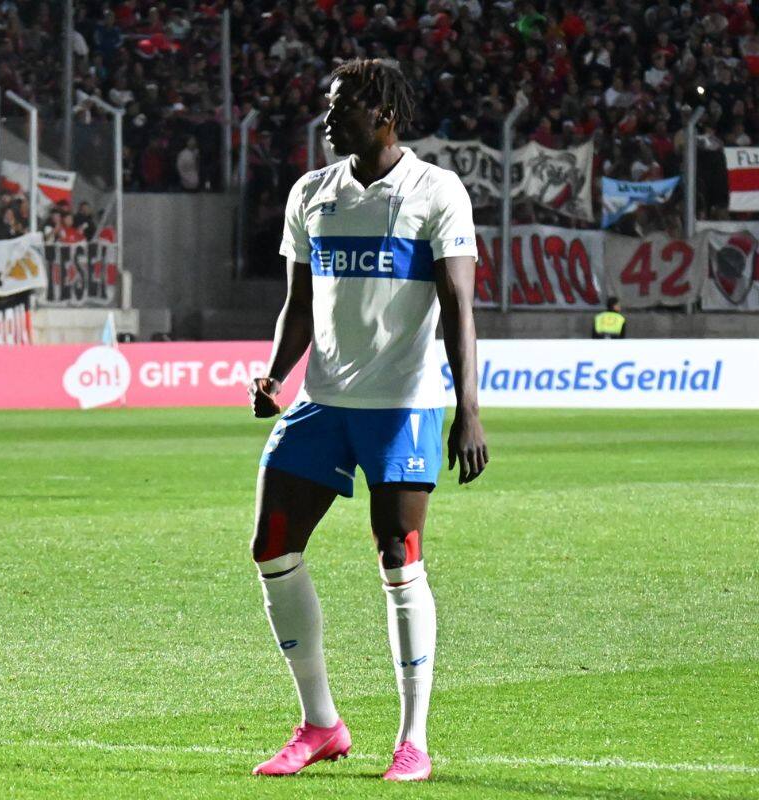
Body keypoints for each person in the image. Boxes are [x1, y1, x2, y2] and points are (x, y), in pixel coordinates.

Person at [246, 59, 488, 783]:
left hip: (403, 404)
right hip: (322, 403)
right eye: (327, 103)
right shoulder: (311, 193)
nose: (327, 117)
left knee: (398, 556)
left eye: (342, 104)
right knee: (271, 547)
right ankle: (321, 723)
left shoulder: (436, 192)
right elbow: (299, 302)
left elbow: (458, 308)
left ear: (384, 114)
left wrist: (467, 412)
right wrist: (276, 373)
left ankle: (413, 739)